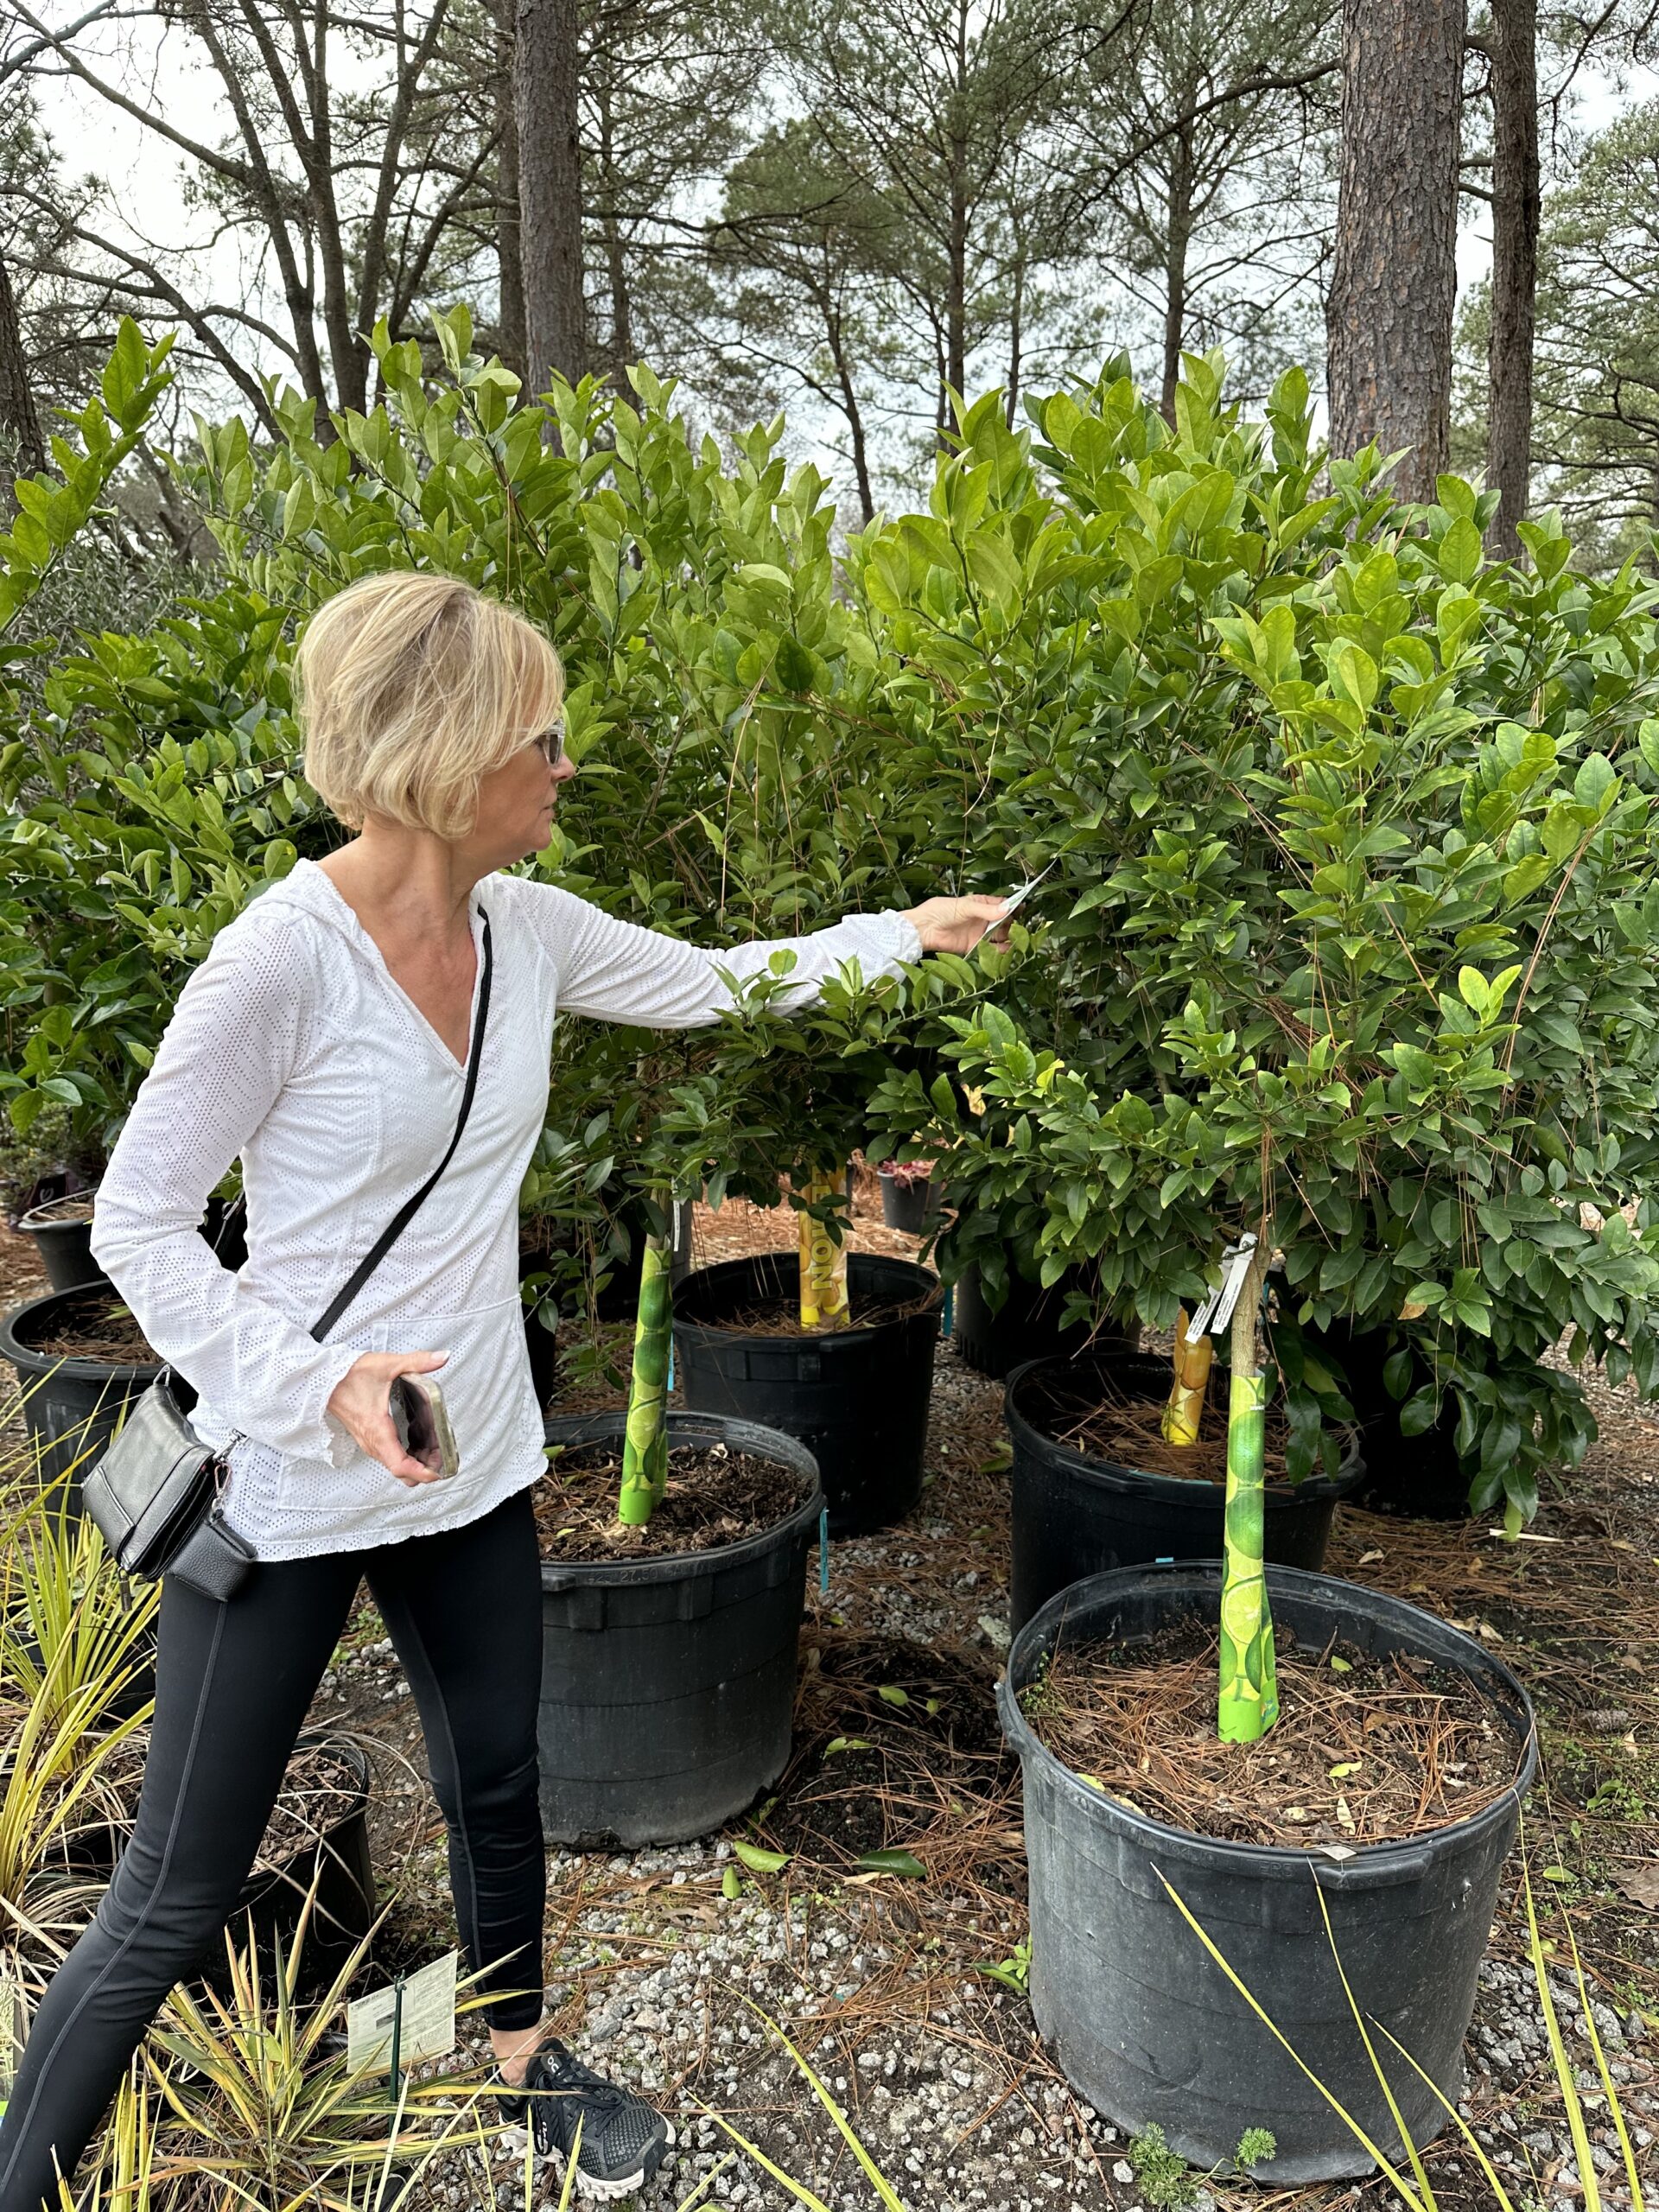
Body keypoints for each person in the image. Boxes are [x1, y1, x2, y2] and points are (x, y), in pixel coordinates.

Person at [0, 570, 1007, 2209]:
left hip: (465, 1461)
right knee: (178, 1893)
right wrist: (318, 1383)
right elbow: (136, 1224)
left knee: (496, 1782)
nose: (563, 769)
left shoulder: (522, 928)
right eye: (545, 739)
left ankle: (517, 2065)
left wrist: (906, 936)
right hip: (289, 1482)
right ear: (452, 754)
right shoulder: (279, 965)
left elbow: (712, 978)